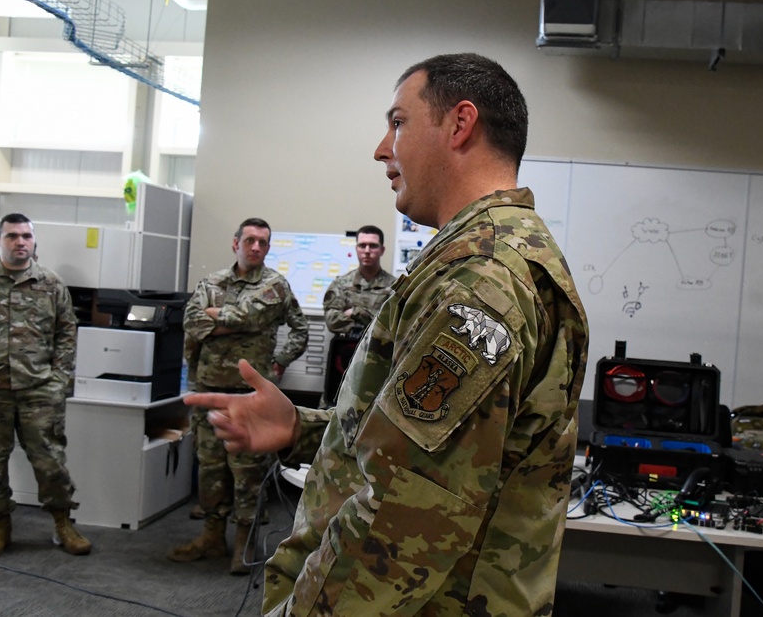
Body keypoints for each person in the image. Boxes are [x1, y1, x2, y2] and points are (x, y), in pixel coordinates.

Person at [186, 52, 589, 615]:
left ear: (459, 124)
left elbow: (405, 513)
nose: (382, 148)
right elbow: (417, 437)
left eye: (398, 123)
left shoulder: (482, 279)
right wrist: (300, 426)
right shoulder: (478, 258)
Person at [169, 217, 309, 575]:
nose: (257, 247)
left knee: (247, 474)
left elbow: (295, 327)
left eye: (263, 242)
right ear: (236, 244)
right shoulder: (211, 282)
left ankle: (244, 544)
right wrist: (228, 321)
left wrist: (278, 362)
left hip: (250, 396)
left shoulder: (274, 285)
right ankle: (212, 536)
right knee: (211, 469)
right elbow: (192, 323)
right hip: (210, 389)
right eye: (250, 241)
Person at [0, 213, 91, 558]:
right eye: (11, 236)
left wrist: (59, 380)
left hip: (39, 391)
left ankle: (63, 523)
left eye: (25, 236)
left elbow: (67, 332)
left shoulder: (51, 284)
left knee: (50, 462)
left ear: (34, 241)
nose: (20, 242)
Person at [322, 224, 396, 338]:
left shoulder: (394, 286)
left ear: (382, 250)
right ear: (356, 249)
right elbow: (332, 321)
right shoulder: (341, 284)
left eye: (373, 246)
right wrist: (372, 320)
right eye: (362, 245)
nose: (367, 251)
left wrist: (355, 312)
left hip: (380, 352)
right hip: (345, 349)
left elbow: (393, 325)